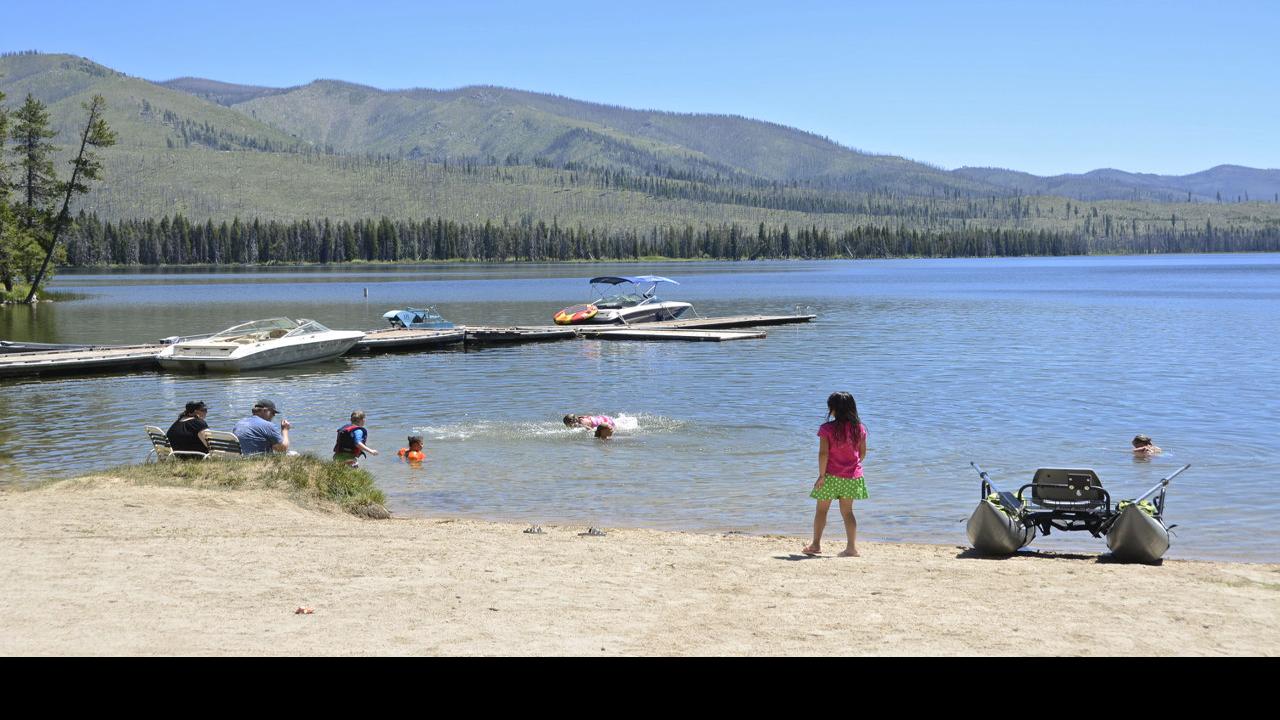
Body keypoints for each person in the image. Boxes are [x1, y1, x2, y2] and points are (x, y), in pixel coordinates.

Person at [803, 391, 868, 558]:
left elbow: (823, 454)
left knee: (821, 511)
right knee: (848, 512)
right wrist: (851, 465)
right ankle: (851, 547)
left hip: (830, 476)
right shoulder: (859, 428)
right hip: (852, 476)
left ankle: (816, 544)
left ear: (833, 409)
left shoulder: (827, 429)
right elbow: (862, 454)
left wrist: (821, 475)